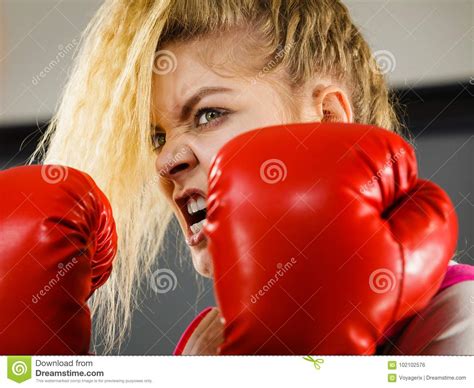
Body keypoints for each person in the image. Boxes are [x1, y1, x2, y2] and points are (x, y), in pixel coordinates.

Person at [30, 0, 473, 355]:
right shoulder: (207, 343)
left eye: (208, 114)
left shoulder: (459, 318)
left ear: (327, 118)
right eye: (156, 136)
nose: (165, 161)